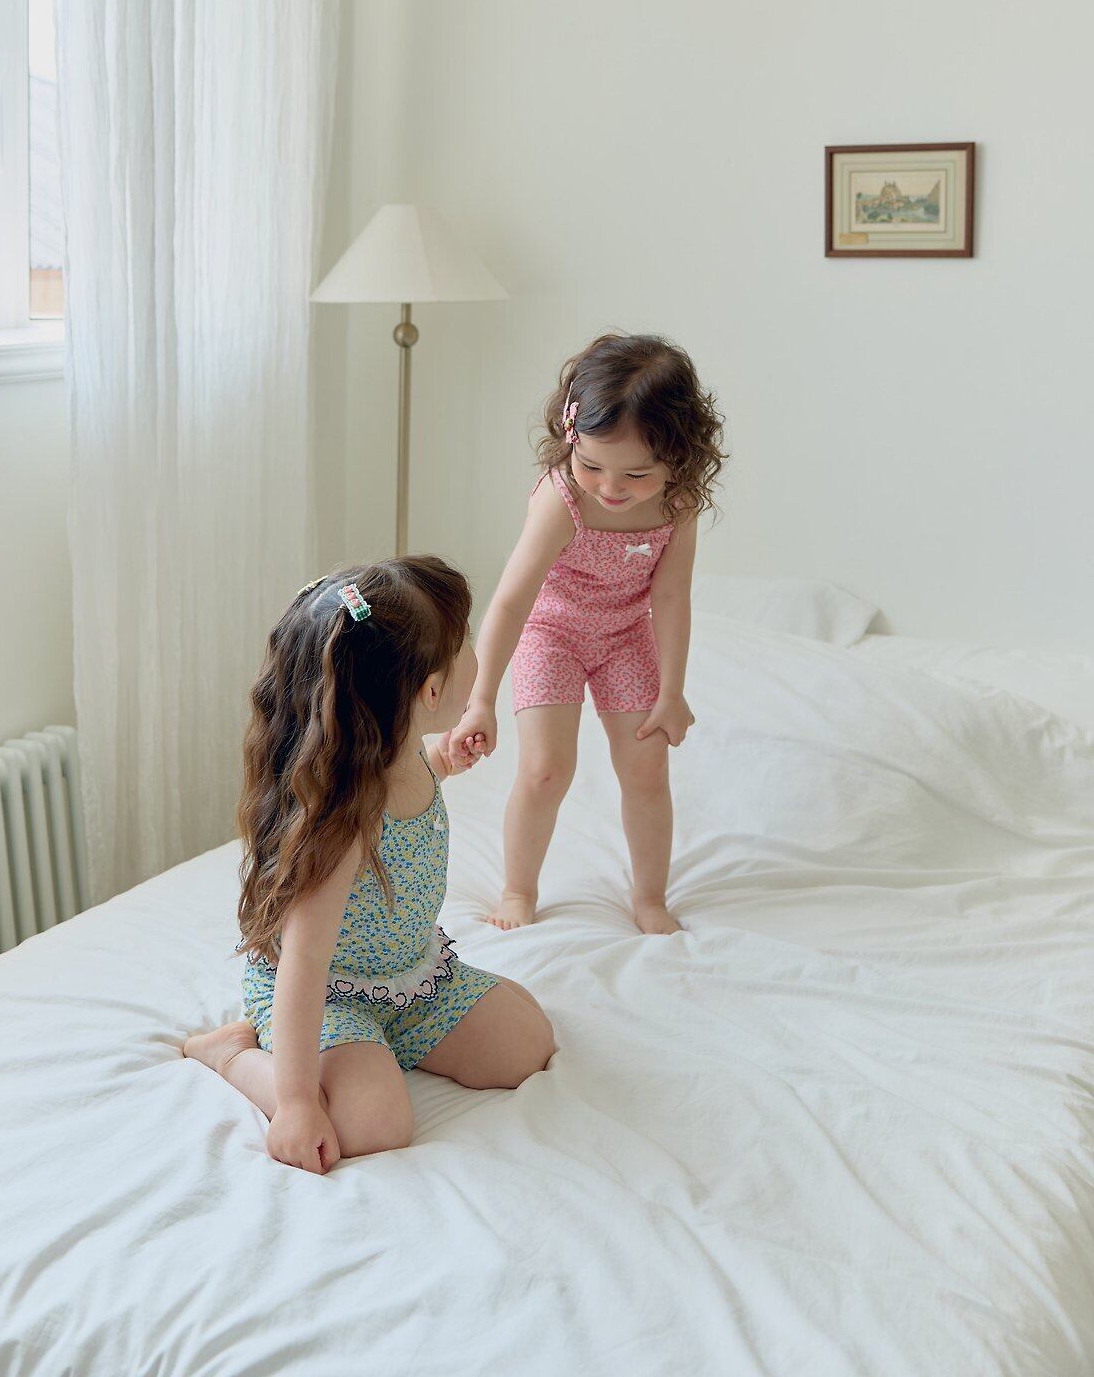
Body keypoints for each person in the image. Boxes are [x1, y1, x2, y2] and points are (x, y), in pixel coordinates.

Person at [185, 556, 555, 1172]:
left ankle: (391, 1045)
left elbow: (413, 780)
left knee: (528, 1044)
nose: (475, 654)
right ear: (430, 693)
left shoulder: (400, 755)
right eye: (464, 644)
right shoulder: (342, 824)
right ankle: (230, 1053)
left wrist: (445, 760)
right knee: (373, 1124)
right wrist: (296, 1102)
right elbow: (304, 966)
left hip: (412, 975)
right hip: (329, 995)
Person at [443, 333, 724, 935]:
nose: (611, 488)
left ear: (679, 458)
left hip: (626, 636)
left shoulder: (677, 506)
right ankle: (518, 889)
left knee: (647, 771)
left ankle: (649, 897)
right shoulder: (562, 497)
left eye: (636, 474)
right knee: (546, 769)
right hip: (553, 633)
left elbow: (671, 597)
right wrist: (481, 698)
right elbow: (512, 601)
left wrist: (672, 691)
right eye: (592, 464)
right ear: (572, 435)